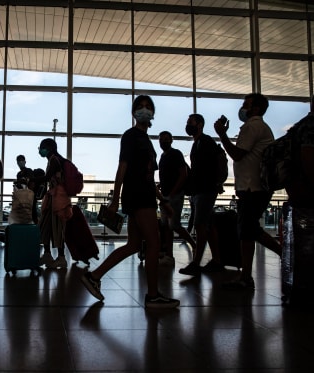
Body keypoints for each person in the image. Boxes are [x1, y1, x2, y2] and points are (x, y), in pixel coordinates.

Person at [80, 95, 180, 308]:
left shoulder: (146, 140)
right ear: (133, 113)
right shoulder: (131, 136)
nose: (144, 110)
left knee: (134, 244)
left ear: (153, 113)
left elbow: (149, 177)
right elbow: (122, 167)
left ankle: (94, 276)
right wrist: (115, 199)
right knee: (153, 244)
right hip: (138, 196)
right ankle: (153, 295)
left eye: (148, 107)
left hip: (143, 194)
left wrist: (162, 199)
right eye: (140, 107)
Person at [214, 93, 282, 289]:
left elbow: (237, 154)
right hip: (252, 186)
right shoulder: (260, 127)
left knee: (248, 230)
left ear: (256, 109)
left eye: (246, 105)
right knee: (249, 230)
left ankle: (249, 274)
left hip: (252, 187)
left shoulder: (253, 126)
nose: (243, 108)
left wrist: (222, 134)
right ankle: (247, 274)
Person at [179, 114, 225, 276]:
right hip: (201, 190)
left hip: (206, 190)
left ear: (199, 124)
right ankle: (217, 261)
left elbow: (220, 157)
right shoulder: (197, 143)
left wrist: (219, 181)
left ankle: (196, 263)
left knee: (200, 225)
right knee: (208, 225)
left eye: (189, 121)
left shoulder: (205, 141)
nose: (187, 124)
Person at [157, 130, 196, 267]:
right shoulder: (163, 156)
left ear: (171, 140)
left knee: (173, 225)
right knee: (167, 226)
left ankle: (192, 244)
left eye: (166, 139)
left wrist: (173, 193)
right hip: (166, 195)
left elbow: (183, 174)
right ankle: (169, 255)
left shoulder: (175, 154)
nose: (164, 141)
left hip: (174, 195)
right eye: (162, 139)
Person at [34, 138, 72, 269]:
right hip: (53, 198)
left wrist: (32, 179)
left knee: (57, 228)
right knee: (45, 226)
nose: (40, 150)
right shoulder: (53, 160)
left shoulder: (55, 160)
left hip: (58, 200)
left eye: (42, 147)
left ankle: (61, 258)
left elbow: (46, 177)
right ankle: (47, 254)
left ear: (49, 148)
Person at [15, 154, 38, 224]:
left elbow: (30, 182)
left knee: (32, 213)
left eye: (22, 161)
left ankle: (35, 229)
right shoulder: (19, 174)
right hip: (22, 196)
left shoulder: (29, 170)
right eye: (19, 161)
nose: (20, 163)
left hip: (30, 195)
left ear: (25, 162)